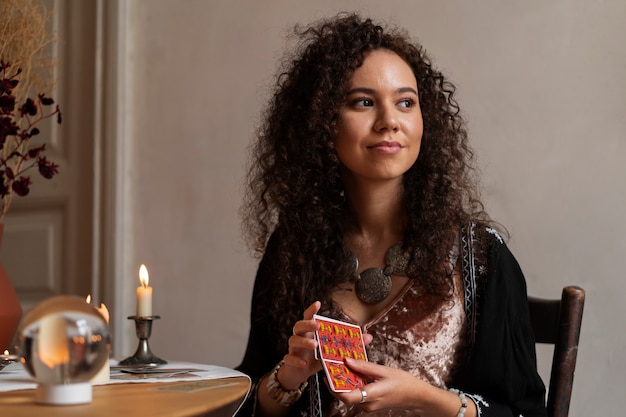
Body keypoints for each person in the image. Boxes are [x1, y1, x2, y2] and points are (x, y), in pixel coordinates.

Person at [236, 12, 547, 417]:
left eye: (405, 102)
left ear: (424, 120)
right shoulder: (293, 249)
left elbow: (525, 412)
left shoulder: (479, 258)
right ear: (321, 123)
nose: (389, 123)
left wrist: (429, 400)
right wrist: (288, 377)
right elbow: (248, 405)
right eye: (363, 102)